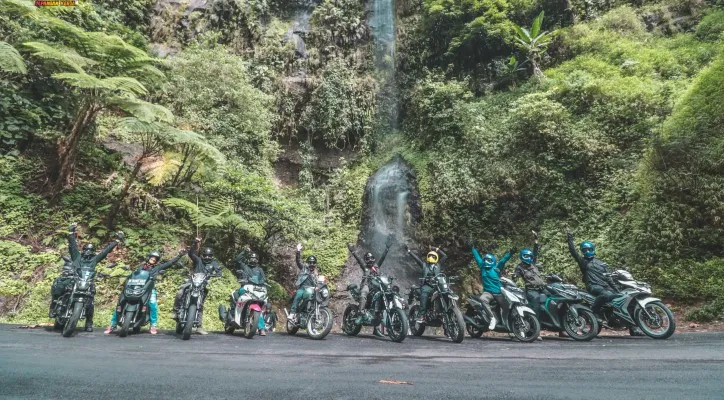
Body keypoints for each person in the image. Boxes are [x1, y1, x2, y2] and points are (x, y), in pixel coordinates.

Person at [50, 222, 124, 332]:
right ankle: (54, 307)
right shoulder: (77, 256)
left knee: (90, 302)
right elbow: (72, 245)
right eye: (86, 250)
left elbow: (105, 251)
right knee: (60, 287)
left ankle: (89, 322)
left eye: (91, 250)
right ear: (83, 250)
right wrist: (71, 232)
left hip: (87, 282)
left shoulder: (94, 260)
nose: (88, 252)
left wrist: (117, 241)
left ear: (93, 252)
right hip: (74, 279)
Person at [105, 250, 187, 335]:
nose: (153, 259)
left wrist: (179, 255)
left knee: (153, 304)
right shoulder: (140, 267)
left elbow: (169, 263)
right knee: (121, 303)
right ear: (148, 257)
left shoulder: (157, 268)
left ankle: (153, 325)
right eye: (152, 257)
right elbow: (133, 275)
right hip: (135, 288)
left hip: (149, 289)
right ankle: (112, 325)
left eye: (155, 259)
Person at [172, 238, 222, 335]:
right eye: (205, 255)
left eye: (209, 256)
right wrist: (195, 243)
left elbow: (218, 270)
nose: (207, 257)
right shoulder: (198, 260)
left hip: (202, 285)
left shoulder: (214, 263)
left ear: (212, 256)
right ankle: (175, 311)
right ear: (202, 255)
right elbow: (190, 253)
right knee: (180, 292)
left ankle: (199, 326)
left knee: (200, 305)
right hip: (192, 281)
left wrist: (218, 273)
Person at [567, 232, 618, 315]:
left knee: (619, 295)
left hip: (604, 285)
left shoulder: (601, 263)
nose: (587, 251)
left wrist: (616, 290)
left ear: (593, 249)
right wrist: (570, 239)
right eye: (584, 250)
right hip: (593, 286)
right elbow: (574, 252)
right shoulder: (583, 262)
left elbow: (609, 278)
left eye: (589, 249)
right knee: (606, 294)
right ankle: (594, 311)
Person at [348, 235, 393, 325]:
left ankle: (381, 317)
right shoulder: (365, 267)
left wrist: (387, 248)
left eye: (371, 258)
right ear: (365, 260)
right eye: (367, 258)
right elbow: (358, 259)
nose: (370, 260)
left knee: (387, 294)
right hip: (367, 285)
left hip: (377, 286)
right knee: (364, 293)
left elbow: (383, 258)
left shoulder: (377, 266)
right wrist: (353, 251)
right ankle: (360, 314)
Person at [471, 244, 514, 330]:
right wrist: (473, 248)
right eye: (485, 260)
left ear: (493, 261)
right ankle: (492, 318)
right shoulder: (482, 267)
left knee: (508, 306)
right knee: (483, 299)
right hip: (488, 292)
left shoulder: (496, 268)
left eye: (489, 260)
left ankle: (510, 323)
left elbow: (503, 261)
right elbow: (477, 257)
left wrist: (510, 253)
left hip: (499, 292)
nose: (487, 261)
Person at [406, 245, 448, 324]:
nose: (431, 257)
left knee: (446, 293)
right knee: (424, 294)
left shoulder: (438, 265)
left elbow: (445, 256)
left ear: (436, 257)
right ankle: (421, 315)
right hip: (427, 285)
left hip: (438, 285)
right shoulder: (424, 265)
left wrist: (436, 249)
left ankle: (447, 314)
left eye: (433, 256)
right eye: (430, 255)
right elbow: (417, 259)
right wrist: (409, 252)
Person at [234, 247, 267, 335]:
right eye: (251, 258)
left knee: (260, 306)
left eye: (255, 258)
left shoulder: (260, 270)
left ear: (257, 260)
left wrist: (263, 283)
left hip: (257, 290)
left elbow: (263, 279)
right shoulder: (245, 266)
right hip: (245, 287)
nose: (253, 260)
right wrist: (244, 251)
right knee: (237, 294)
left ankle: (261, 328)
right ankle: (235, 315)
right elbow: (238, 260)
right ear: (249, 259)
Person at [514, 231, 546, 312]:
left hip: (542, 287)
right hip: (532, 290)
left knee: (554, 299)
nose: (529, 257)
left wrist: (536, 239)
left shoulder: (532, 263)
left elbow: (535, 251)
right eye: (527, 256)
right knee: (536, 306)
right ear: (523, 256)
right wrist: (514, 276)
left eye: (530, 256)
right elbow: (516, 275)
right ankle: (536, 323)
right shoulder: (519, 267)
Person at [289, 243, 318, 322]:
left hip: (311, 290)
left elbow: (318, 282)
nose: (311, 264)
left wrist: (318, 286)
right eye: (310, 262)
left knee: (315, 299)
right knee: (298, 294)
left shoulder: (316, 273)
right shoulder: (304, 267)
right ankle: (292, 312)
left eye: (313, 263)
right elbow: (298, 261)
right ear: (308, 263)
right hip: (302, 287)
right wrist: (298, 251)